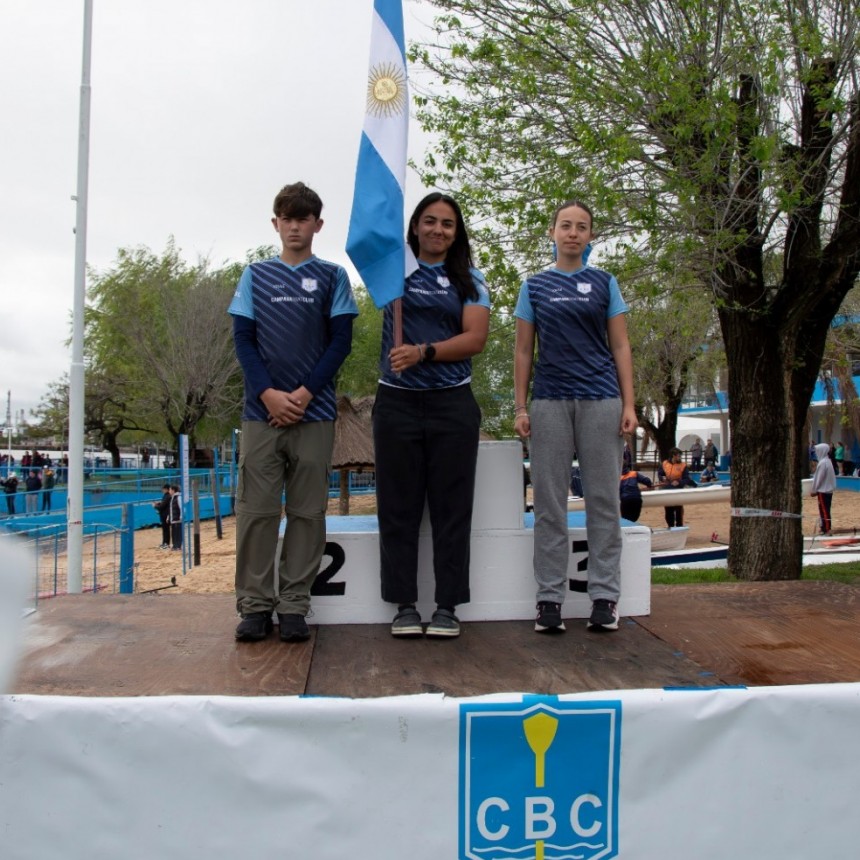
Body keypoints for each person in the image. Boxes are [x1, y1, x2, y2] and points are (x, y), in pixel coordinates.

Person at [228, 181, 357, 644]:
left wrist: (303, 393)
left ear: (317, 225)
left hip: (315, 412)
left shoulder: (332, 276)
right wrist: (268, 394)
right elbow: (243, 340)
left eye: (304, 218)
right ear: (275, 223)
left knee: (306, 512)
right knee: (257, 512)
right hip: (260, 414)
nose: (295, 226)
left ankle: (295, 605)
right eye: (287, 218)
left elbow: (341, 341)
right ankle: (256, 606)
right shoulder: (254, 275)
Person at [514, 199, 637, 634]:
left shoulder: (605, 283)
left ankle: (605, 597)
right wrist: (521, 406)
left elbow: (620, 346)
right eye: (565, 225)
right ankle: (549, 600)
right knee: (549, 505)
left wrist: (629, 404)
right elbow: (524, 350)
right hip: (549, 402)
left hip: (601, 401)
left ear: (590, 237)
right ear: (552, 233)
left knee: (604, 500)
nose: (572, 233)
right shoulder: (533, 287)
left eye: (581, 227)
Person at [373, 192, 490, 640]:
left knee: (451, 510)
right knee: (398, 508)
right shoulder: (393, 271)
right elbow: (366, 240)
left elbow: (475, 338)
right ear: (415, 226)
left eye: (447, 224)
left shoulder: (471, 279)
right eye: (429, 221)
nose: (437, 230)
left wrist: (424, 352)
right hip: (396, 403)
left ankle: (447, 606)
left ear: (457, 233)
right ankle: (403, 604)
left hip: (452, 405)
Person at [657, 447, 697, 527]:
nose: (680, 457)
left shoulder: (683, 466)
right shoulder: (665, 464)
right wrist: (662, 478)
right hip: (667, 489)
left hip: (678, 491)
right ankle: (670, 526)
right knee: (668, 511)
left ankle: (679, 527)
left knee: (678, 510)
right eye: (678, 456)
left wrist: (679, 482)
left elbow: (687, 479)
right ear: (673, 456)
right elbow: (660, 473)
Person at [810, 442, 836, 535]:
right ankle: (824, 527)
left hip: (823, 491)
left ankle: (827, 528)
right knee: (825, 509)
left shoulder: (823, 463)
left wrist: (814, 490)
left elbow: (819, 478)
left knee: (824, 510)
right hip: (827, 490)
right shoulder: (828, 461)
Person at [152, 483, 171, 548]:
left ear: (166, 489)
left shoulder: (167, 496)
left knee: (166, 530)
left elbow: (162, 506)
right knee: (165, 530)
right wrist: (159, 504)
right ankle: (164, 543)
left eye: (163, 489)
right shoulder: (166, 496)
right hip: (164, 515)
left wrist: (155, 506)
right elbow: (163, 504)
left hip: (165, 515)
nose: (162, 490)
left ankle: (166, 543)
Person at [168, 484, 183, 550]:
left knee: (177, 533)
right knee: (174, 533)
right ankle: (175, 545)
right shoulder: (173, 498)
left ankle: (178, 546)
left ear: (173, 490)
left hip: (177, 518)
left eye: (170, 490)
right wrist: (169, 517)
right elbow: (171, 509)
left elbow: (181, 507)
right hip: (173, 518)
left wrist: (181, 516)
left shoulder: (178, 497)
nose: (169, 491)